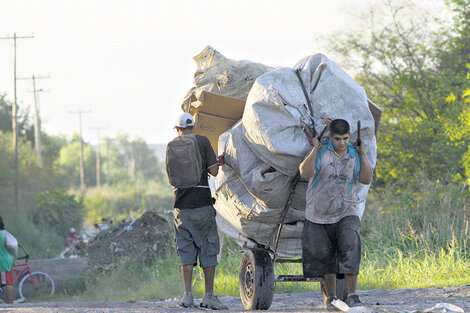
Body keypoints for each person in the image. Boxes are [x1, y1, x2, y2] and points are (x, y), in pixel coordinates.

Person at [299, 119, 372, 311]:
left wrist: (363, 153)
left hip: (346, 210)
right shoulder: (321, 151)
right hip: (318, 213)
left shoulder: (354, 154)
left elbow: (365, 178)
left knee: (351, 246)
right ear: (330, 137)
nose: (342, 143)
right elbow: (304, 173)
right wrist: (314, 149)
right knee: (324, 257)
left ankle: (353, 295)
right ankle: (331, 298)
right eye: (337, 139)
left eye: (345, 138)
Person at [167, 112, 228, 310]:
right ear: (194, 126)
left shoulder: (172, 146)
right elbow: (214, 172)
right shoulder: (202, 141)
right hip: (202, 204)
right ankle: (208, 296)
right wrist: (218, 161)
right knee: (208, 249)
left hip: (180, 208)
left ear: (177, 129)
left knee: (186, 251)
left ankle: (187, 296)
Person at [0, 216, 15, 304]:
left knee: (6, 283)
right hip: (8, 259)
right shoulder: (5, 233)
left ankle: (10, 304)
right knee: (7, 281)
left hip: (2, 262)